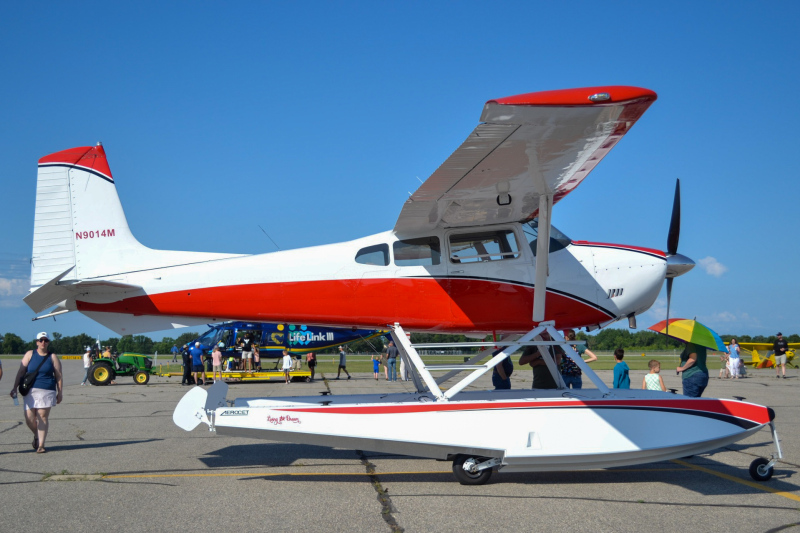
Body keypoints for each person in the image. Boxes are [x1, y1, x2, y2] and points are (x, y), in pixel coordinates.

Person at [9, 332, 63, 453]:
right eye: (41, 340)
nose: (43, 342)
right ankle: (37, 435)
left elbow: (58, 376)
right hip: (30, 390)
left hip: (47, 390)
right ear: (37, 342)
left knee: (42, 417)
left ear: (48, 342)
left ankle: (41, 445)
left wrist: (60, 392)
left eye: (46, 340)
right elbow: (21, 371)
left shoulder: (52, 356)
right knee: (29, 418)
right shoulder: (30, 354)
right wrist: (14, 387)